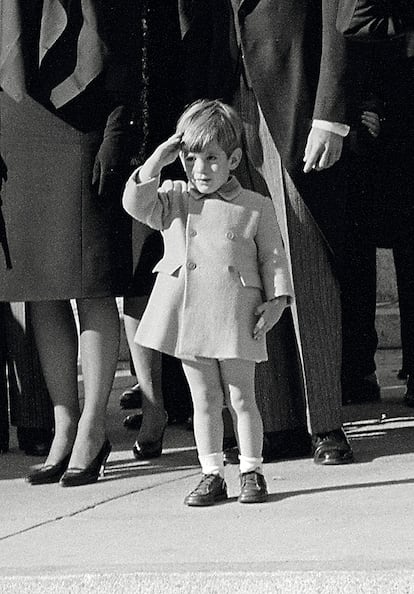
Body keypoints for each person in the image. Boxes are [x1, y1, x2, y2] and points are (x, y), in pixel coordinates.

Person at [178, 0, 354, 464]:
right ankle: (274, 423)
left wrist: (330, 115)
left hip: (295, 104)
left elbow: (337, 17)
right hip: (225, 110)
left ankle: (325, 425)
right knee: (243, 265)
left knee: (303, 260)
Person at [123, 99, 293, 505]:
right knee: (204, 400)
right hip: (189, 317)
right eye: (191, 158)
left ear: (233, 159)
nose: (201, 169)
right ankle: (211, 472)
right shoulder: (173, 198)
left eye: (213, 158)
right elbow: (135, 204)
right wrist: (156, 161)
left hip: (237, 315)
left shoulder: (256, 206)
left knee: (241, 397)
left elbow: (273, 259)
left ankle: (252, 470)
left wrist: (277, 302)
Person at [0, 1, 142, 486]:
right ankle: (64, 425)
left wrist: (117, 133)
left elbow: (124, 44)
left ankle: (92, 427)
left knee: (90, 280)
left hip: (86, 123)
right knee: (42, 284)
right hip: (15, 122)